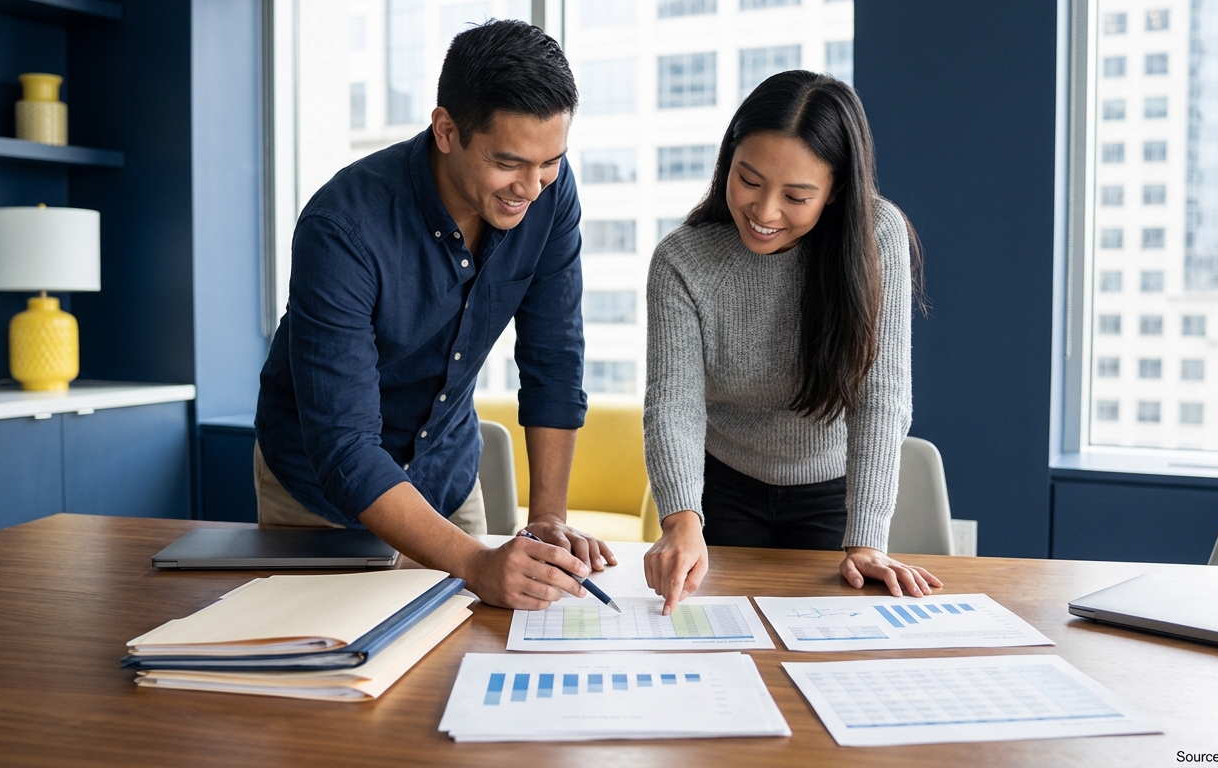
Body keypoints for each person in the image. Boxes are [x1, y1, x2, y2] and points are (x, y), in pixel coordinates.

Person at [255, 20, 614, 610]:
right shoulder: (341, 228)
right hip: (319, 497)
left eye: (550, 161)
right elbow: (345, 447)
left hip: (446, 477)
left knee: (465, 665)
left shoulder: (549, 193)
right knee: (333, 674)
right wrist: (476, 561)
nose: (531, 187)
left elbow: (554, 360)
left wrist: (548, 519)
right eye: (509, 163)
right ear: (446, 130)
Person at [642, 70, 943, 615]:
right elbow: (673, 404)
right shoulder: (682, 261)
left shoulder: (878, 237)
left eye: (797, 196)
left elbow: (882, 395)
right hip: (722, 488)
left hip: (833, 490)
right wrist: (681, 518)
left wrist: (868, 537)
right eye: (749, 180)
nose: (764, 212)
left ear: (836, 193)